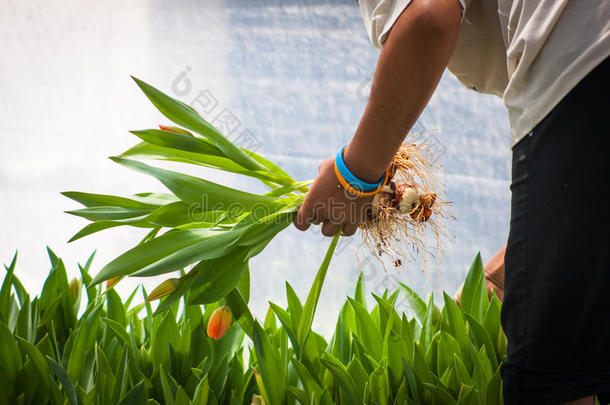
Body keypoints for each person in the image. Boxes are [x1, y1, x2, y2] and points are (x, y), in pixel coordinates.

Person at [293, 0, 610, 403]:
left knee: (551, 376)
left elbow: (427, 18)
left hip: (584, 62)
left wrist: (354, 176)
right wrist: (504, 274)